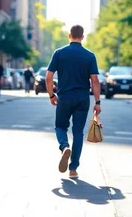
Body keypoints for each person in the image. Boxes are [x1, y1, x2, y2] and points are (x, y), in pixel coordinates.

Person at [46, 25, 101, 180]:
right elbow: (95, 80)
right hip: (83, 98)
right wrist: (97, 102)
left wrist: (51, 95)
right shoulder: (90, 56)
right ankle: (73, 169)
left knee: (60, 126)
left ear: (69, 35)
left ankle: (64, 146)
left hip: (64, 97)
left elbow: (48, 77)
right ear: (82, 37)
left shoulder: (59, 53)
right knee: (78, 132)